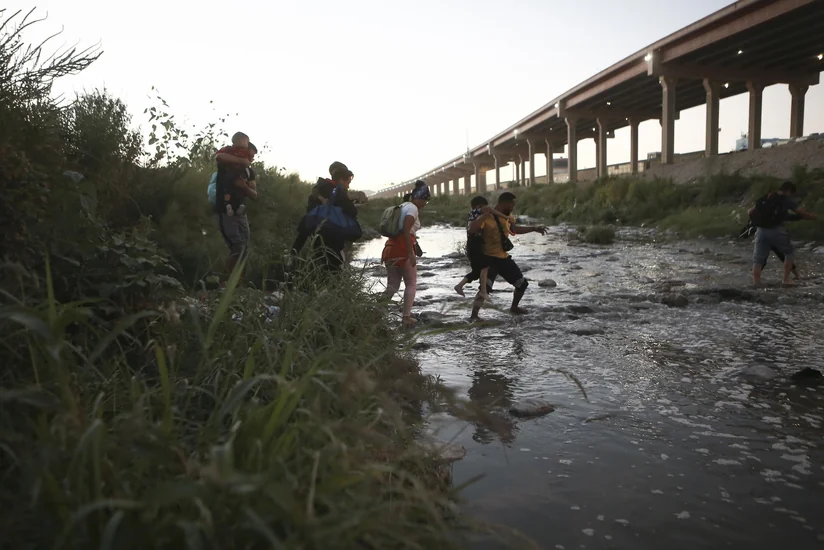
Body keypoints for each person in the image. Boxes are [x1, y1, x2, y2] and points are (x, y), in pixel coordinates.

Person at [468, 192, 547, 320]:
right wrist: (483, 217)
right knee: (485, 289)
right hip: (488, 259)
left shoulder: (507, 217)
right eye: (512, 204)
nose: (513, 207)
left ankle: (514, 307)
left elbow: (515, 230)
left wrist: (534, 228)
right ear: (504, 203)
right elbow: (472, 229)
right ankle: (474, 316)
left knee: (522, 284)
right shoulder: (487, 215)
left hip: (503, 258)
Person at [292, 161, 359, 270]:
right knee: (334, 267)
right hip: (333, 236)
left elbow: (310, 212)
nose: (348, 186)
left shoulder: (317, 189)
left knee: (318, 262)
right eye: (348, 182)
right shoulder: (337, 192)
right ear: (341, 178)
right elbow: (352, 211)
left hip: (316, 235)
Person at [381, 180, 430, 328]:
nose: (425, 204)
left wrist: (416, 247)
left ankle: (377, 310)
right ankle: (406, 317)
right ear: (420, 198)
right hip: (402, 249)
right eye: (425, 201)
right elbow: (406, 229)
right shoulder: (413, 208)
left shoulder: (403, 206)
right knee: (411, 283)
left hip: (390, 247)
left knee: (393, 286)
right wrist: (411, 253)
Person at [749, 181, 817, 286]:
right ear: (788, 191)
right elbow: (801, 213)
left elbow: (750, 212)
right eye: (792, 194)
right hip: (776, 230)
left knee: (758, 259)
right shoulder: (786, 200)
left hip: (760, 231)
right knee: (789, 252)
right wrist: (814, 217)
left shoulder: (767, 196)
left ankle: (756, 283)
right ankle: (786, 279)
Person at [214, 133, 258, 284]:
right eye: (249, 155)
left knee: (244, 247)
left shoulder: (249, 171)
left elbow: (254, 194)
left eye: (251, 157)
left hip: (241, 212)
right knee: (237, 246)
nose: (251, 159)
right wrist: (242, 160)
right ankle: (224, 283)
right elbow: (219, 157)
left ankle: (239, 284)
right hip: (226, 211)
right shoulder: (227, 162)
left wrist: (244, 187)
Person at [454, 196, 514, 299]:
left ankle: (460, 286)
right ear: (479, 206)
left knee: (477, 272)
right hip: (475, 243)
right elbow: (491, 211)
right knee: (485, 266)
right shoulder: (478, 211)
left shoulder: (472, 213)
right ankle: (483, 291)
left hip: (472, 244)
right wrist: (506, 217)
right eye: (485, 206)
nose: (487, 208)